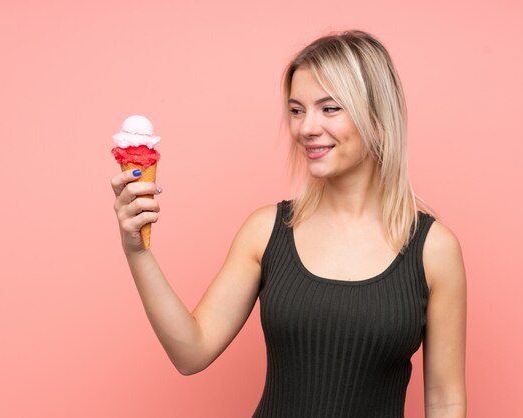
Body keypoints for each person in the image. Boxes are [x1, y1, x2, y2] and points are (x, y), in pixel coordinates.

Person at [111, 29, 466, 418]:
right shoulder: (266, 231)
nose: (306, 128)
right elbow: (190, 352)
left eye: (329, 108)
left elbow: (445, 400)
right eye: (297, 110)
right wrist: (137, 250)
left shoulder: (433, 249)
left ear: (378, 117)